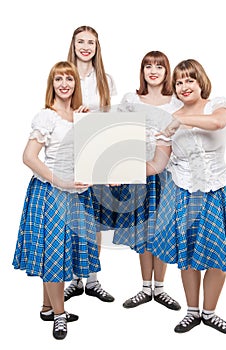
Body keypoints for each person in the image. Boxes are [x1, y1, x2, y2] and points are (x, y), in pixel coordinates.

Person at [151, 58, 226, 334]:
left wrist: (178, 119)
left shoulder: (217, 104)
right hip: (183, 192)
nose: (183, 86)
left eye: (189, 80)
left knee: (218, 255)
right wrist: (123, 170)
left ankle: (210, 312)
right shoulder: (169, 118)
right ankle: (192, 312)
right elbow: (158, 163)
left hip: (217, 189)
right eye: (179, 82)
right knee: (189, 254)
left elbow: (217, 124)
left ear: (200, 81)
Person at [12, 61, 101, 340]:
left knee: (60, 251)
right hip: (51, 193)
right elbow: (28, 157)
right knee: (53, 254)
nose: (64, 83)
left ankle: (48, 307)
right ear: (51, 84)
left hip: (76, 194)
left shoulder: (80, 115)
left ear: (76, 84)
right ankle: (60, 317)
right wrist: (59, 181)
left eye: (69, 79)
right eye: (58, 79)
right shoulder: (46, 116)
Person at [112, 51, 182, 310]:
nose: (153, 71)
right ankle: (144, 287)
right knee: (143, 229)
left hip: (167, 173)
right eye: (148, 66)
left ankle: (160, 289)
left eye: (159, 67)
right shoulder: (132, 99)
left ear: (167, 72)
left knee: (161, 229)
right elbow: (119, 135)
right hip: (138, 171)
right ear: (142, 71)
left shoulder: (175, 102)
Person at [64, 25, 117, 303]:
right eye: (81, 41)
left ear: (97, 48)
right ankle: (74, 279)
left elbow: (112, 123)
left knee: (95, 219)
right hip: (68, 154)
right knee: (74, 219)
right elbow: (54, 112)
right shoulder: (63, 74)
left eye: (91, 43)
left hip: (96, 155)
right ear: (73, 45)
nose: (86, 46)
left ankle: (93, 280)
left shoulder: (105, 79)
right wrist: (74, 114)